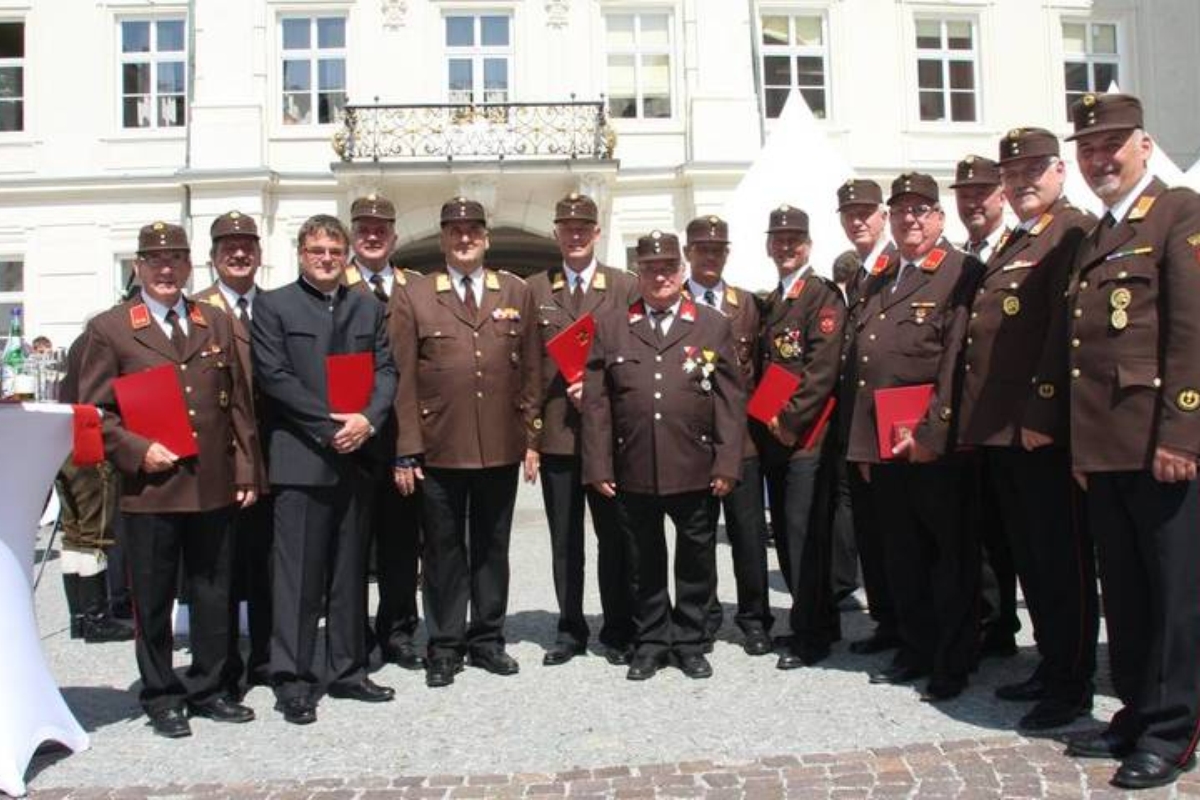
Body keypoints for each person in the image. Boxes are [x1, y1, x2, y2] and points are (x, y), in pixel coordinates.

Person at [1058, 93, 1200, 790]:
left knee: (1174, 594)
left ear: (1144, 144)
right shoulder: (1097, 234)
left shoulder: (1178, 212)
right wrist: (1084, 453)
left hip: (1158, 446)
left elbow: (1191, 333)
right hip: (1106, 449)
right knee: (1129, 592)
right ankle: (1140, 709)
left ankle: (1175, 730)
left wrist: (1183, 432)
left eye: (1112, 144)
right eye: (1086, 148)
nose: (1099, 157)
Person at [78, 221, 259, 738]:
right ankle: (161, 694)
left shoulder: (214, 321)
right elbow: (93, 412)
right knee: (154, 600)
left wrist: (247, 470)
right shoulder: (112, 329)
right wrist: (137, 449)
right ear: (139, 268)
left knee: (213, 593)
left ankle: (208, 687)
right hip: (150, 490)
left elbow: (239, 406)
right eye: (155, 261)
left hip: (212, 483)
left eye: (175, 260)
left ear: (188, 266)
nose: (165, 269)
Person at [958, 129, 1100, 730]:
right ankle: (1051, 664)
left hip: (1042, 433)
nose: (1021, 182)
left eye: (1034, 170)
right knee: (1033, 562)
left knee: (1060, 562)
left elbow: (1064, 331)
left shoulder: (1072, 232)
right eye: (1012, 174)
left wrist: (1044, 413)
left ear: (1059, 171)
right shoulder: (1017, 238)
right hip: (1004, 432)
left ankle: (1073, 684)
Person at [252, 214, 399, 725]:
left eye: (335, 251)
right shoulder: (273, 306)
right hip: (302, 458)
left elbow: (386, 369)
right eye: (317, 250)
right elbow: (275, 377)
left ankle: (348, 669)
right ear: (300, 253)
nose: (327, 259)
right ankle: (292, 679)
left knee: (349, 574)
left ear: (347, 255)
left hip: (356, 458)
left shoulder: (368, 306)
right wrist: (329, 426)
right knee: (297, 580)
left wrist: (368, 420)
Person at [391, 197, 542, 688]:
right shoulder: (415, 294)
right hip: (439, 446)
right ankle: (445, 644)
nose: (464, 239)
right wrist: (406, 446)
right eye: (455, 232)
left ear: (486, 238)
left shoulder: (515, 292)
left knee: (492, 546)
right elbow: (402, 377)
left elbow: (532, 372)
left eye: (473, 231)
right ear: (442, 238)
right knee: (442, 550)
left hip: (499, 442)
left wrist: (531, 437)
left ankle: (487, 639)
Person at [581, 230, 744, 681]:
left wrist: (727, 463)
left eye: (669, 267)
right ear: (640, 273)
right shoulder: (612, 325)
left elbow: (731, 401)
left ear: (683, 270)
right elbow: (596, 404)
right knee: (642, 561)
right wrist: (598, 465)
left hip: (694, 465)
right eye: (651, 268)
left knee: (696, 559)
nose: (661, 276)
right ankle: (652, 640)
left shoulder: (712, 324)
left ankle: (690, 640)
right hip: (633, 467)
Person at [844, 173, 982, 702]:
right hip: (883, 444)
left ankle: (954, 658)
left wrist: (933, 432)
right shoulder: (879, 276)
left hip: (932, 446)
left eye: (921, 210)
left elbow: (956, 359)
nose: (910, 220)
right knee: (902, 556)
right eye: (900, 211)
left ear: (940, 218)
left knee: (949, 558)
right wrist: (862, 447)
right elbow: (862, 367)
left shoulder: (957, 271)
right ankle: (917, 647)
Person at [527, 192, 637, 667]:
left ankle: (618, 627)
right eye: (566, 226)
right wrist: (529, 440)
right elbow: (529, 369)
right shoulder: (535, 289)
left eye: (583, 227)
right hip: (556, 434)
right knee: (565, 540)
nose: (575, 234)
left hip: (607, 437)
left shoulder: (625, 286)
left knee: (615, 537)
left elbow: (636, 356)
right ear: (556, 233)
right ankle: (570, 627)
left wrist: (598, 391)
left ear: (597, 233)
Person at [751, 205, 845, 668]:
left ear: (808, 244)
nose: (786, 247)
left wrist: (788, 421)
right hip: (774, 438)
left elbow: (820, 369)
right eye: (778, 240)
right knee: (788, 537)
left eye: (794, 240)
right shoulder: (775, 299)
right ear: (769, 245)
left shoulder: (821, 297)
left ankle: (811, 635)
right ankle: (819, 620)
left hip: (805, 438)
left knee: (804, 535)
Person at [342, 194, 425, 672]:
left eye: (381, 229)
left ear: (394, 236)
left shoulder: (414, 287)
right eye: (364, 228)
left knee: (400, 546)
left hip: (402, 437)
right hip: (352, 441)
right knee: (352, 546)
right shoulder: (336, 284)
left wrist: (411, 446)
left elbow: (421, 371)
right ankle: (353, 637)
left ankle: (398, 632)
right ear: (354, 235)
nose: (373, 236)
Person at [192, 210, 274, 694]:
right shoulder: (194, 310)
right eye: (228, 247)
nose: (239, 253)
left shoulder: (277, 305)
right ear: (213, 257)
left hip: (271, 456)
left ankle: (266, 658)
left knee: (267, 564)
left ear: (260, 255)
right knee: (216, 571)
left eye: (247, 245)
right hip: (218, 461)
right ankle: (221, 668)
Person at [684, 214, 772, 657]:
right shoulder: (673, 302)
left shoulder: (748, 305)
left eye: (717, 250)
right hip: (693, 442)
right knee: (698, 538)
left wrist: (772, 420)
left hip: (742, 440)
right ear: (688, 254)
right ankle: (703, 617)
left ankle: (755, 618)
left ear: (727, 254)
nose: (710, 257)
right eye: (702, 249)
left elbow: (768, 366)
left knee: (748, 535)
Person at [949, 155, 1021, 662]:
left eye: (982, 192)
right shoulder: (960, 257)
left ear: (1002, 194)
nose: (973, 202)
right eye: (964, 194)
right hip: (967, 418)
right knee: (979, 529)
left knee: (1017, 535)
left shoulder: (1018, 248)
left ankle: (1009, 629)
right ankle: (990, 621)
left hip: (1011, 418)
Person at [831, 180, 897, 648]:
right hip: (860, 425)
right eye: (850, 213)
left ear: (883, 216)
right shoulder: (858, 275)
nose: (858, 220)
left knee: (903, 539)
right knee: (874, 536)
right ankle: (889, 622)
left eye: (866, 212)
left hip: (897, 422)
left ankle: (915, 628)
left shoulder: (904, 266)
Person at [55, 328, 133, 643]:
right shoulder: (110, 337)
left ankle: (80, 618)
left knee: (74, 534)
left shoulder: (81, 340)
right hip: (91, 443)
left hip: (64, 444)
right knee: (94, 534)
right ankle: (98, 618)